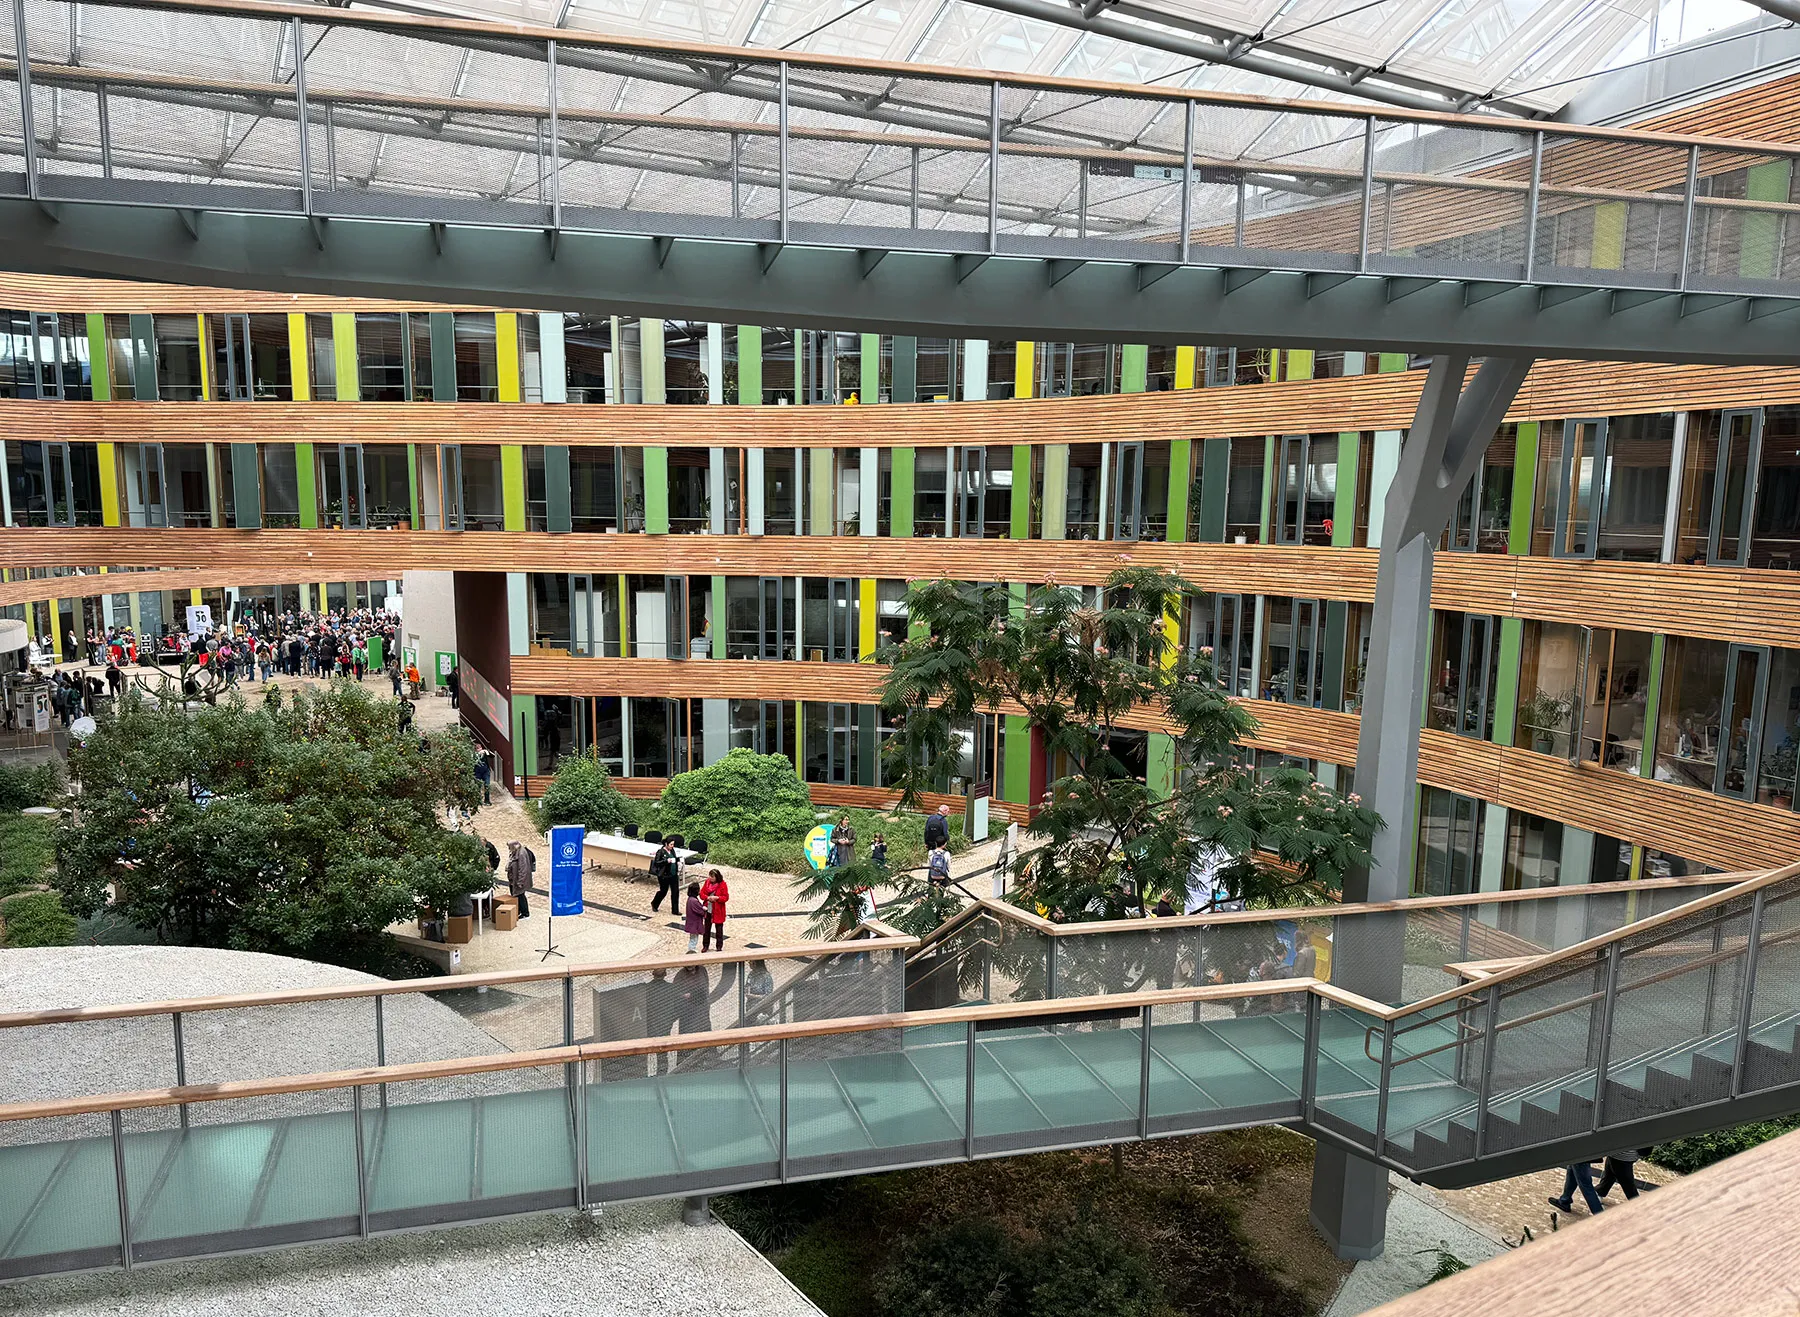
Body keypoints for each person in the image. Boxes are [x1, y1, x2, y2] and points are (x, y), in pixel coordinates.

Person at [646, 967, 680, 1075]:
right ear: (665, 974)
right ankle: (662, 1073)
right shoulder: (671, 988)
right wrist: (670, 1019)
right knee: (662, 1050)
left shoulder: (647, 988)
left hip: (650, 1023)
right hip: (665, 1023)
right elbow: (677, 1007)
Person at [649, 836, 682, 918]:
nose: (672, 846)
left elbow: (674, 858)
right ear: (666, 844)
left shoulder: (672, 850)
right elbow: (657, 862)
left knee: (675, 892)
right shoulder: (660, 852)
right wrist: (666, 861)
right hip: (664, 875)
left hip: (673, 874)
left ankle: (675, 910)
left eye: (673, 844)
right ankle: (655, 903)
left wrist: (678, 861)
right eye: (671, 844)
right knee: (663, 891)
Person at [699, 868, 730, 952]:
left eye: (712, 876)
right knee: (706, 930)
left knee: (719, 930)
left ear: (717, 877)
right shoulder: (707, 883)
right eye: (710, 876)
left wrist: (717, 898)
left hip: (718, 911)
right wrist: (707, 897)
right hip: (708, 910)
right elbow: (701, 893)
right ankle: (705, 945)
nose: (710, 878)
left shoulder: (722, 884)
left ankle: (719, 947)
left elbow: (726, 897)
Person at [505, 840, 536, 918]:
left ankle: (525, 913)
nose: (509, 849)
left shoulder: (521, 853)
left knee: (520, 896)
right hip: (514, 879)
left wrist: (520, 882)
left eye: (510, 847)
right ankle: (519, 911)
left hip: (518, 880)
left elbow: (523, 869)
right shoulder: (515, 851)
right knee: (516, 895)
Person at [683, 882, 709, 953]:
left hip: (691, 923)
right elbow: (699, 910)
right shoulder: (694, 901)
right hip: (694, 924)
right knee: (694, 939)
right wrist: (705, 910)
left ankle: (691, 950)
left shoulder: (690, 899)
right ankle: (691, 951)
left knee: (693, 938)